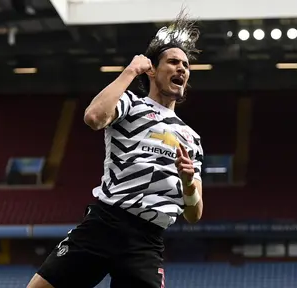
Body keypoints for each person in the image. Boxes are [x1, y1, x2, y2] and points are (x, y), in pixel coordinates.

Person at [27, 10, 204, 288]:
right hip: (105, 224)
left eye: (185, 64)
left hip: (146, 242)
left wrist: (188, 184)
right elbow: (94, 118)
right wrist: (131, 70)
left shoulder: (191, 138)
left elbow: (194, 214)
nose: (182, 68)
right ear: (153, 71)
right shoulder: (131, 104)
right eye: (172, 61)